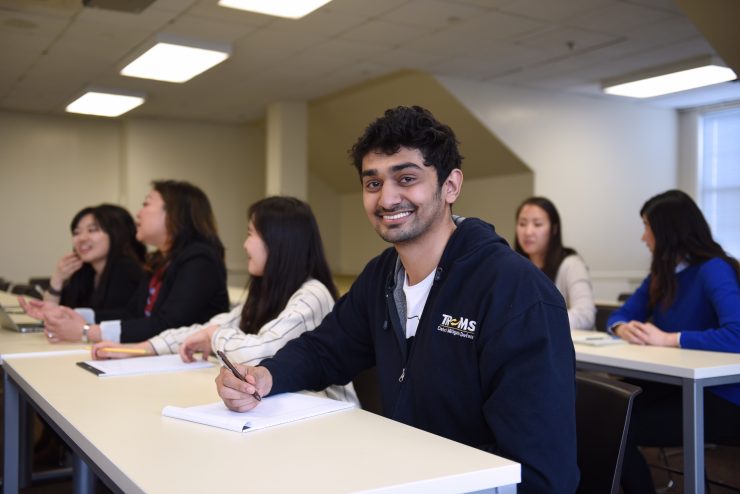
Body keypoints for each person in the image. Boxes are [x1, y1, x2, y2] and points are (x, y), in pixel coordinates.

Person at [215, 106, 579, 493]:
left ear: (451, 186)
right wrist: (263, 376)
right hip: (400, 474)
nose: (387, 199)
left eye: (406, 178)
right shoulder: (382, 275)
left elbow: (544, 476)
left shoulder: (516, 292)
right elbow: (326, 350)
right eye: (373, 184)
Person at [91, 196, 358, 405]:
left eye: (251, 233)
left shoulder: (312, 294)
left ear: (279, 242)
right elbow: (208, 327)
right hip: (286, 411)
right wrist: (140, 348)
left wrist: (215, 336)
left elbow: (260, 351)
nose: (244, 245)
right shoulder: (266, 292)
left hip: (330, 418)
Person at [606, 189, 740, 493]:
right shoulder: (663, 273)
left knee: (617, 427)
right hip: (677, 386)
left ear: (668, 231)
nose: (643, 238)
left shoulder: (713, 269)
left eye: (647, 227)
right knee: (605, 410)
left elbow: (737, 335)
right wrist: (622, 328)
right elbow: (619, 315)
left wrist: (669, 338)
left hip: (722, 397)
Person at [28, 180, 229, 344]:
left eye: (146, 204)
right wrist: (71, 315)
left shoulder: (200, 258)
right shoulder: (161, 259)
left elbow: (168, 324)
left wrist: (87, 331)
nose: (138, 214)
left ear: (174, 214)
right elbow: (132, 312)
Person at [42, 204, 146, 311]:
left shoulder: (126, 269)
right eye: (76, 232)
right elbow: (50, 315)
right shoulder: (85, 271)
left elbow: (115, 322)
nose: (82, 238)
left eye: (92, 230)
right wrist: (57, 279)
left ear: (115, 234)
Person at [514, 196, 596, 330]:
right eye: (522, 224)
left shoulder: (571, 264)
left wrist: (531, 323)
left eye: (537, 224)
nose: (528, 232)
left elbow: (585, 316)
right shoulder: (514, 267)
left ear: (554, 229)